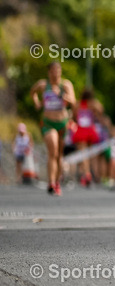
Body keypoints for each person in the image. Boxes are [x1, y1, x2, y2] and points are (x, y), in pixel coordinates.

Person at [30, 61, 76, 196]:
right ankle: (50, 183)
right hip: (48, 123)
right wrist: (37, 103)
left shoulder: (65, 85)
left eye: (58, 70)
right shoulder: (43, 85)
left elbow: (73, 101)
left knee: (59, 155)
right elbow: (33, 92)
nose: (56, 73)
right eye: (53, 71)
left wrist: (62, 95)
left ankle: (56, 182)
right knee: (53, 151)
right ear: (49, 72)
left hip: (62, 123)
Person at [70, 87, 107, 187]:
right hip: (90, 130)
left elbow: (74, 117)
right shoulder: (93, 104)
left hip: (81, 130)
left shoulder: (77, 105)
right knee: (91, 154)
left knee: (83, 153)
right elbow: (101, 109)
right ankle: (94, 175)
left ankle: (86, 174)